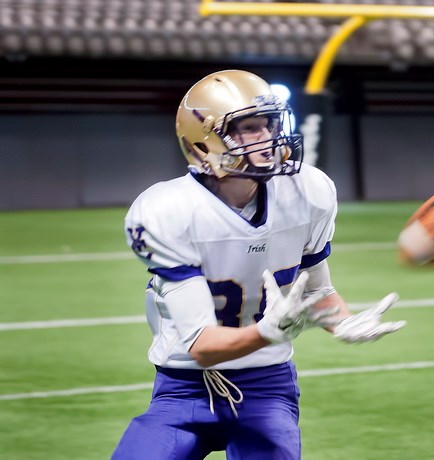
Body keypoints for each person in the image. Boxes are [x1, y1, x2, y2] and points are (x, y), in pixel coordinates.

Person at [113, 69, 406, 459]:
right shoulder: (167, 211)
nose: (267, 138)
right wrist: (267, 331)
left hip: (267, 386)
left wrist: (341, 321)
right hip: (184, 387)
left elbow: (316, 289)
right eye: (248, 128)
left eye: (269, 125)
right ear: (204, 142)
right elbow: (202, 347)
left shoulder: (309, 191)